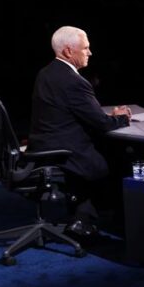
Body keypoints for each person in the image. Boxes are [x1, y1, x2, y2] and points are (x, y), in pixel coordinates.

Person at [29, 26, 132, 236]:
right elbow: (103, 124)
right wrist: (121, 116)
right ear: (68, 51)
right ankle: (116, 223)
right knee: (122, 156)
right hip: (65, 152)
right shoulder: (73, 81)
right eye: (85, 48)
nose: (90, 53)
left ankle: (83, 217)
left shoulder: (45, 73)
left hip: (43, 146)